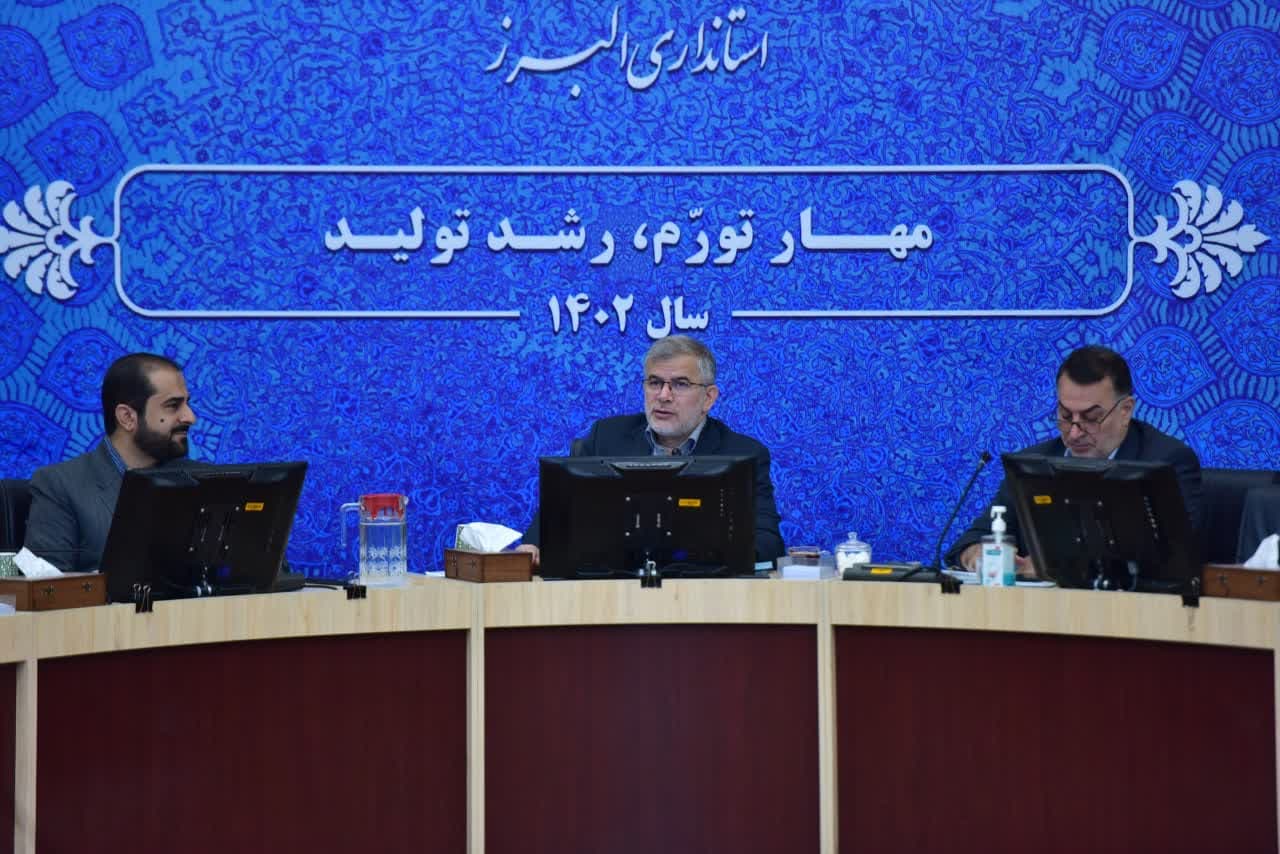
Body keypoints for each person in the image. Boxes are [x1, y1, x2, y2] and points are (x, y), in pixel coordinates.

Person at [519, 335, 785, 565]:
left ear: (709, 398)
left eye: (680, 384)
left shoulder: (743, 454)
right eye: (655, 382)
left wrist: (704, 555)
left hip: (703, 590)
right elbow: (557, 511)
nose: (664, 396)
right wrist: (533, 546)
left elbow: (768, 542)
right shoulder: (606, 438)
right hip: (613, 589)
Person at [945, 345, 1204, 574]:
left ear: (1125, 410)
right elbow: (968, 543)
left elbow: (1173, 560)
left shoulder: (1165, 462)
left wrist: (1055, 568)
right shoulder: (1031, 465)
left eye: (1091, 418)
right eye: (1066, 416)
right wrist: (979, 556)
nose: (1075, 433)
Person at [24, 353, 198, 572]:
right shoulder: (60, 486)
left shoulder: (198, 479)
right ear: (127, 417)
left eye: (187, 404)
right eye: (173, 405)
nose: (190, 417)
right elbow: (46, 587)